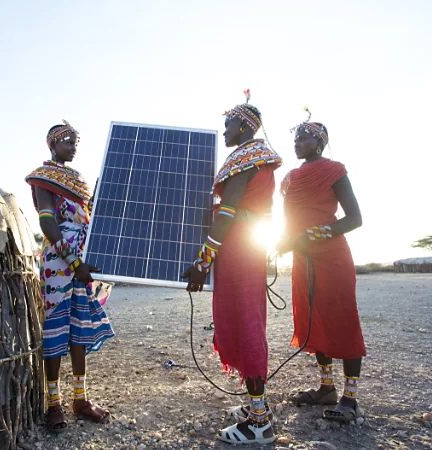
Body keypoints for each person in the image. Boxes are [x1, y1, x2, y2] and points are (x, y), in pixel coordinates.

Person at [183, 91, 282, 445]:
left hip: (239, 250)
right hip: (247, 248)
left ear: (243, 125)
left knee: (245, 326)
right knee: (249, 322)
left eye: (228, 125)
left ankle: (259, 425)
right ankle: (259, 408)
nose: (224, 132)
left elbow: (227, 213)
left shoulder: (246, 159)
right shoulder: (257, 159)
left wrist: (202, 261)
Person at [275, 111, 366, 423]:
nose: (298, 142)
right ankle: (326, 387)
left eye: (304, 137)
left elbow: (355, 218)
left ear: (320, 142)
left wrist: (309, 236)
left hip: (332, 257)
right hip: (303, 258)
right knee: (314, 321)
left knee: (342, 320)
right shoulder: (288, 178)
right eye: (295, 138)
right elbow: (289, 223)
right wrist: (284, 242)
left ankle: (350, 399)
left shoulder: (335, 171)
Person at [25, 121, 115, 433]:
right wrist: (74, 262)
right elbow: (48, 225)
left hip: (81, 265)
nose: (73, 147)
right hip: (60, 263)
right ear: (52, 144)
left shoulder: (78, 182)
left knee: (79, 328)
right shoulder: (44, 178)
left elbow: (88, 215)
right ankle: (53, 403)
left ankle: (80, 399)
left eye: (76, 142)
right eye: (67, 141)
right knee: (54, 331)